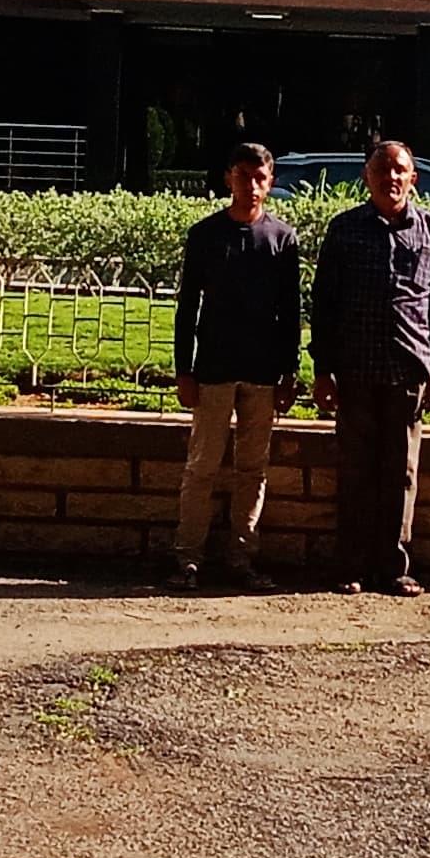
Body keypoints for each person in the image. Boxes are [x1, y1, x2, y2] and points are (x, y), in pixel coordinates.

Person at [310, 137, 430, 598]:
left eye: (399, 170)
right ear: (366, 178)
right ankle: (349, 565)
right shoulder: (344, 230)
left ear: (413, 178)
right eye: (381, 170)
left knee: (401, 475)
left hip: (408, 371)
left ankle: (394, 567)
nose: (390, 177)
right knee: (355, 471)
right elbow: (324, 303)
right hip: (355, 371)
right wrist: (323, 370)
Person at [169, 143, 304, 586]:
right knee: (201, 466)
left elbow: (290, 312)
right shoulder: (205, 235)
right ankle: (188, 558)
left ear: (271, 182)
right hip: (213, 368)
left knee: (252, 470)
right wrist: (184, 370)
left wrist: (289, 372)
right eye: (243, 176)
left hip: (263, 372)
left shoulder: (282, 239)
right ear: (229, 177)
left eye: (260, 178)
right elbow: (187, 307)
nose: (251, 186)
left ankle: (241, 559)